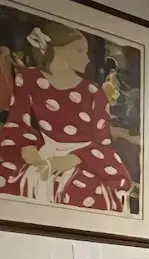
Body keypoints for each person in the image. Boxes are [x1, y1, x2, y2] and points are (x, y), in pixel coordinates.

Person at [0, 22, 131, 210]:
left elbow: (101, 141)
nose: (86, 59)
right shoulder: (29, 79)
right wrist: (26, 149)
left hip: (86, 157)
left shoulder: (94, 92)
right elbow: (18, 122)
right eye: (79, 51)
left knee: (85, 191)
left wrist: (74, 159)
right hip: (44, 152)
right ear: (57, 50)